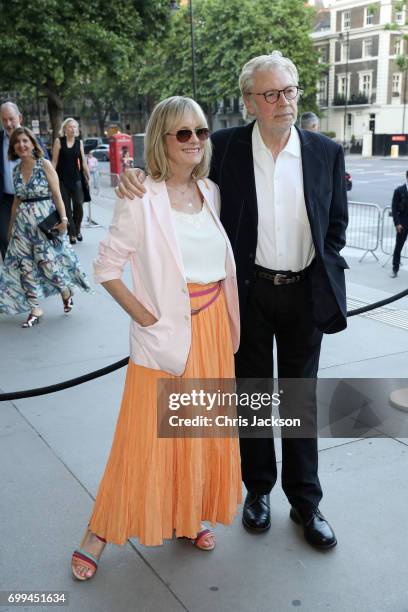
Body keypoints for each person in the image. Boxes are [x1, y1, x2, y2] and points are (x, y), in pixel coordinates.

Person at [117, 51, 348, 550]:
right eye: (270, 94)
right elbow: (172, 169)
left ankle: (306, 501)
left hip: (305, 292)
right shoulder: (222, 147)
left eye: (289, 91)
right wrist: (132, 174)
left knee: (298, 399)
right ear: (249, 102)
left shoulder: (325, 152)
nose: (283, 102)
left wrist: (324, 270)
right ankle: (257, 490)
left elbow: (336, 226)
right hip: (246, 296)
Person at [70, 96, 241, 581]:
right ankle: (97, 533)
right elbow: (106, 267)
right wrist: (145, 317)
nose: (194, 141)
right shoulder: (141, 194)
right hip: (165, 334)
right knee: (142, 437)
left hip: (211, 334)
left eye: (201, 132)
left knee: (195, 432)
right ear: (163, 138)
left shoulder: (211, 191)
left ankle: (187, 517)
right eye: (182, 133)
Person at [0, 127, 91, 327]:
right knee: (24, 267)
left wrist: (65, 220)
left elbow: (57, 195)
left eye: (25, 141)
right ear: (14, 147)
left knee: (48, 265)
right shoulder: (15, 170)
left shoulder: (44, 164)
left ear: (33, 143)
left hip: (43, 225)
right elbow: (17, 200)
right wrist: (11, 227)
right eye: (17, 142)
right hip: (22, 226)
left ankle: (65, 291)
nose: (21, 145)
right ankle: (35, 309)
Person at [0, 101, 48, 261]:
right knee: (5, 237)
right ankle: (12, 278)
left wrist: (61, 215)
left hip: (33, 201)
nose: (8, 124)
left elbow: (49, 175)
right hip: (6, 200)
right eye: (4, 120)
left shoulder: (34, 141)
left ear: (20, 117)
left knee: (35, 243)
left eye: (11, 119)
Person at [52, 118, 90, 245]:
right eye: (70, 127)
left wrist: (87, 175)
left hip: (77, 179)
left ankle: (77, 228)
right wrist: (51, 178)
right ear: (65, 129)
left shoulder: (79, 143)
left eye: (74, 127)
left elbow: (83, 161)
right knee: (67, 209)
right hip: (62, 180)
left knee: (79, 205)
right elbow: (54, 161)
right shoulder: (59, 142)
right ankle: (72, 233)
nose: (72, 129)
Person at [390, 171, 408, 278]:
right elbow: (394, 207)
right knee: (399, 247)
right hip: (403, 223)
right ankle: (395, 268)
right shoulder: (399, 190)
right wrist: (397, 223)